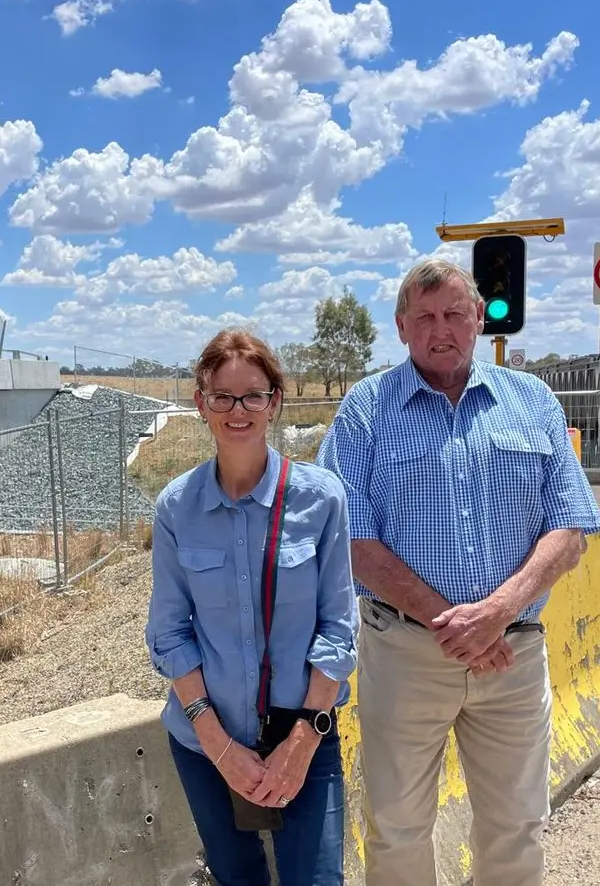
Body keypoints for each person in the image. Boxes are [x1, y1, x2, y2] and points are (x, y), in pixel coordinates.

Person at [316, 260, 600, 886]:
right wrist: (456, 626)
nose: (439, 329)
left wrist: (495, 614)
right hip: (406, 653)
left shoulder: (534, 403)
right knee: (395, 828)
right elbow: (352, 542)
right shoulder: (365, 411)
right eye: (423, 317)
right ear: (400, 328)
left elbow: (570, 529)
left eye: (453, 313)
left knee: (517, 825)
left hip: (514, 656)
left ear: (480, 318)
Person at [145, 328, 358, 886]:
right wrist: (219, 747)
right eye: (222, 396)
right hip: (205, 747)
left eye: (253, 395)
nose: (238, 410)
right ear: (201, 404)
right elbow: (169, 634)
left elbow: (339, 630)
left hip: (303, 741)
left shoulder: (322, 499)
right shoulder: (176, 508)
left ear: (275, 401)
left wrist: (301, 742)